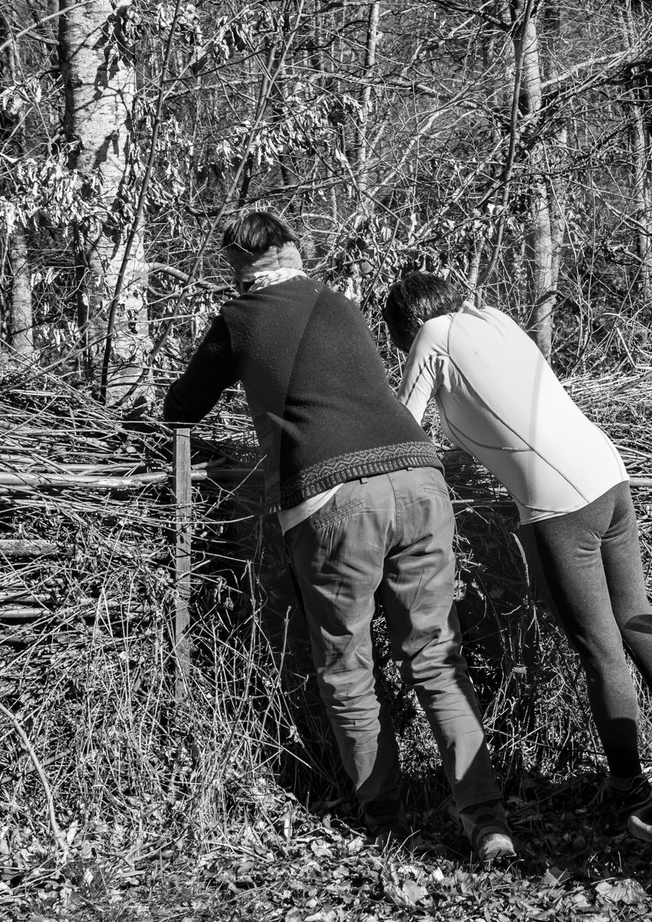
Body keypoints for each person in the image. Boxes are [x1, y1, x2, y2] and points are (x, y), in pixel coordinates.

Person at [162, 212, 516, 862]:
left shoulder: (238, 321)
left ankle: (384, 819)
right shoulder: (341, 307)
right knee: (435, 656)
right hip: (418, 475)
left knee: (349, 665)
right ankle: (486, 819)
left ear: (238, 266)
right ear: (296, 253)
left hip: (333, 497)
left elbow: (180, 408)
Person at [383, 270, 652, 820]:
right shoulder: (496, 320)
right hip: (608, 475)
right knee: (638, 622)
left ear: (407, 325)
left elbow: (401, 435)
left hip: (560, 505)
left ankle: (628, 788)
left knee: (600, 648)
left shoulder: (431, 338)